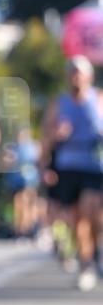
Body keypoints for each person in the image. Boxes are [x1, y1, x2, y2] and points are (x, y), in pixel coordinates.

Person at [41, 56, 103, 291]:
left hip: (95, 166)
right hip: (68, 166)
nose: (76, 76)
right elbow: (46, 135)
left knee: (93, 211)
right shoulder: (59, 103)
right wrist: (46, 163)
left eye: (80, 72)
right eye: (72, 72)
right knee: (77, 218)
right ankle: (86, 263)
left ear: (89, 76)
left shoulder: (98, 99)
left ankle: (96, 250)